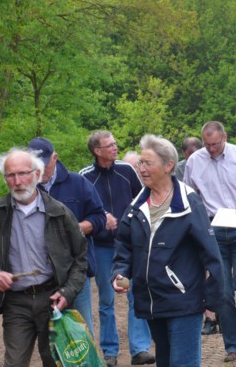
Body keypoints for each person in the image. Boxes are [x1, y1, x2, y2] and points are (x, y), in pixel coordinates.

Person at [111, 134, 224, 367]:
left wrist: (212, 300)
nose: (141, 169)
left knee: (183, 363)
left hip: (183, 300)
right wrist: (121, 271)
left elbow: (211, 253)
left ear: (168, 165)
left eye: (148, 163)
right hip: (151, 301)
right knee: (164, 361)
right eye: (141, 163)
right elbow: (123, 243)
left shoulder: (188, 202)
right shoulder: (137, 205)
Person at [0, 148, 87, 367]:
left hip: (52, 301)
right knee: (14, 363)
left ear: (37, 174)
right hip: (16, 303)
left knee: (56, 361)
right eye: (11, 175)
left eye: (23, 173)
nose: (17, 181)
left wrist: (67, 292)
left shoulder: (59, 212)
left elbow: (80, 258)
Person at [184, 121, 236, 362]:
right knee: (224, 291)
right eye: (207, 145)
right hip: (213, 230)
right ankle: (232, 345)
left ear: (225, 137)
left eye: (215, 144)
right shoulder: (194, 161)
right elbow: (190, 194)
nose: (211, 149)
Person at [79, 131, 155, 367]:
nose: (115, 147)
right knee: (106, 300)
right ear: (96, 151)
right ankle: (109, 352)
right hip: (100, 246)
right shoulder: (84, 176)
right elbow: (83, 211)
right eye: (109, 145)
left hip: (129, 244)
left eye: (115, 143)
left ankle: (139, 349)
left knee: (136, 294)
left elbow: (142, 199)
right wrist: (101, 220)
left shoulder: (126, 170)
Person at [27, 137, 106, 338]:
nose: (40, 171)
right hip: (41, 275)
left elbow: (99, 217)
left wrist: (74, 230)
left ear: (55, 158)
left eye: (44, 164)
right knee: (51, 335)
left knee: (82, 330)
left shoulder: (78, 183)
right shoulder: (25, 189)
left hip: (76, 270)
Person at [175, 137, 219, 336]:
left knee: (214, 269)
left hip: (209, 220)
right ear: (184, 154)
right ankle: (203, 315)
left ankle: (212, 316)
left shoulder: (210, 163)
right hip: (188, 223)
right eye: (189, 155)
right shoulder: (177, 170)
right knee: (196, 270)